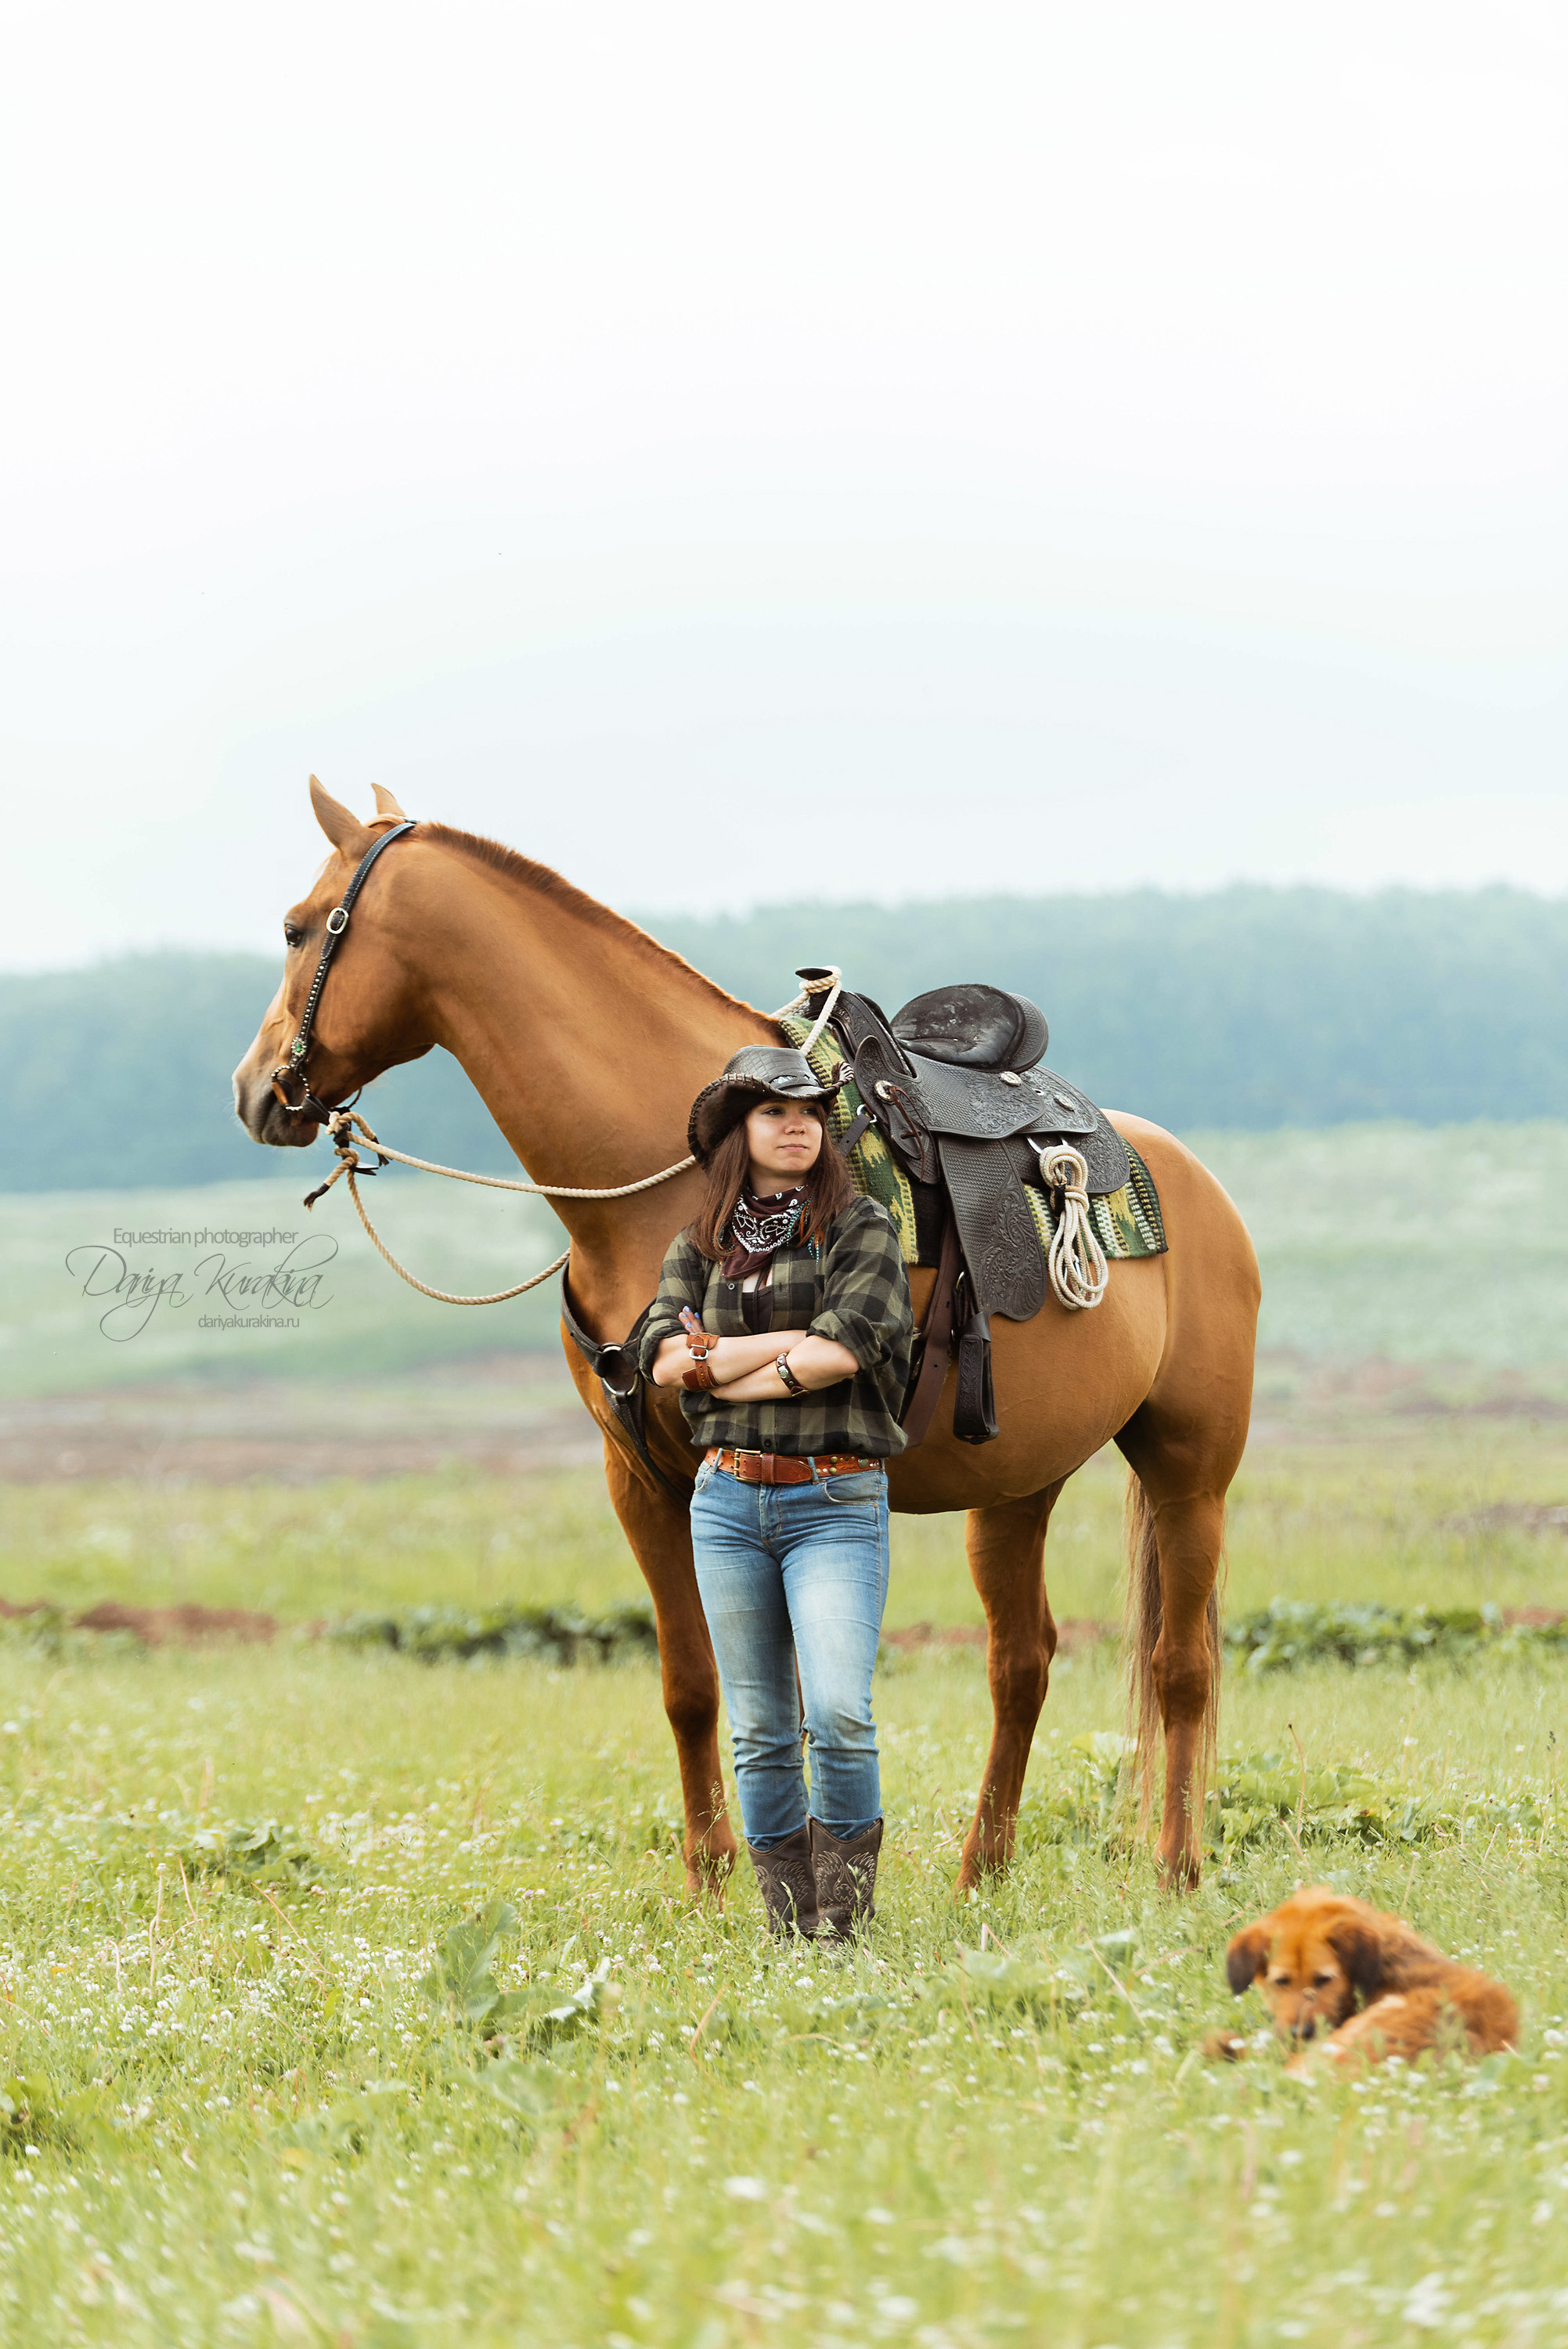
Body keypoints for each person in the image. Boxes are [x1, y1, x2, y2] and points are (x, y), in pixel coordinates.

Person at [640, 1047, 915, 1940]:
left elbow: (848, 1346)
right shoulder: (697, 1246)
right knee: (759, 1727)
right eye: (772, 1113)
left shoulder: (860, 1227)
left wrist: (718, 1369)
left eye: (808, 1114)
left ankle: (844, 1924)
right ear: (739, 1133)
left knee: (837, 1710)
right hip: (725, 1506)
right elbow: (659, 1356)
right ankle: (790, 1928)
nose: (796, 1126)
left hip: (832, 1500)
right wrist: (780, 1347)